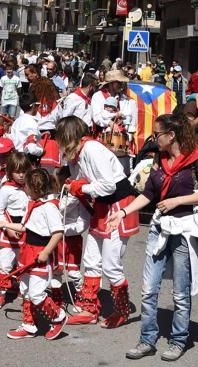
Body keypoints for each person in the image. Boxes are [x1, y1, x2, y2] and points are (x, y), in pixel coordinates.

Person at [113, 113, 198, 362]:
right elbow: (149, 192)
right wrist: (124, 212)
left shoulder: (197, 159)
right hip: (160, 228)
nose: (154, 138)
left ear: (171, 136)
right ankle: (147, 339)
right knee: (149, 289)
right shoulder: (159, 159)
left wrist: (178, 200)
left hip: (183, 230)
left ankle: (178, 340)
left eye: (157, 134)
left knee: (180, 292)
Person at [57, 116, 139, 329]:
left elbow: (108, 186)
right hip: (102, 207)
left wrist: (80, 188)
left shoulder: (91, 149)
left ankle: (121, 311)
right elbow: (82, 184)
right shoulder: (78, 153)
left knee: (111, 265)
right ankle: (89, 309)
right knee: (92, 259)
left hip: (118, 207)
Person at [0, 168, 67, 340]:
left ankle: (58, 316)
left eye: (26, 185)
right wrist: (5, 224)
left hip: (40, 252)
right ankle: (29, 325)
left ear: (35, 187)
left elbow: (58, 233)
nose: (24, 187)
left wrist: (46, 252)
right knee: (25, 289)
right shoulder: (32, 204)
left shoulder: (49, 208)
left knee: (36, 293)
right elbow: (25, 227)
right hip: (27, 249)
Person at [0, 149, 29, 308]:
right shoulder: (5, 189)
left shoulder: (30, 188)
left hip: (25, 229)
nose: (21, 175)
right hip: (7, 230)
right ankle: (0, 294)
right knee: (4, 263)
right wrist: (7, 227)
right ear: (10, 172)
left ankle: (21, 288)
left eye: (24, 172)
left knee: (23, 262)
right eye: (17, 172)